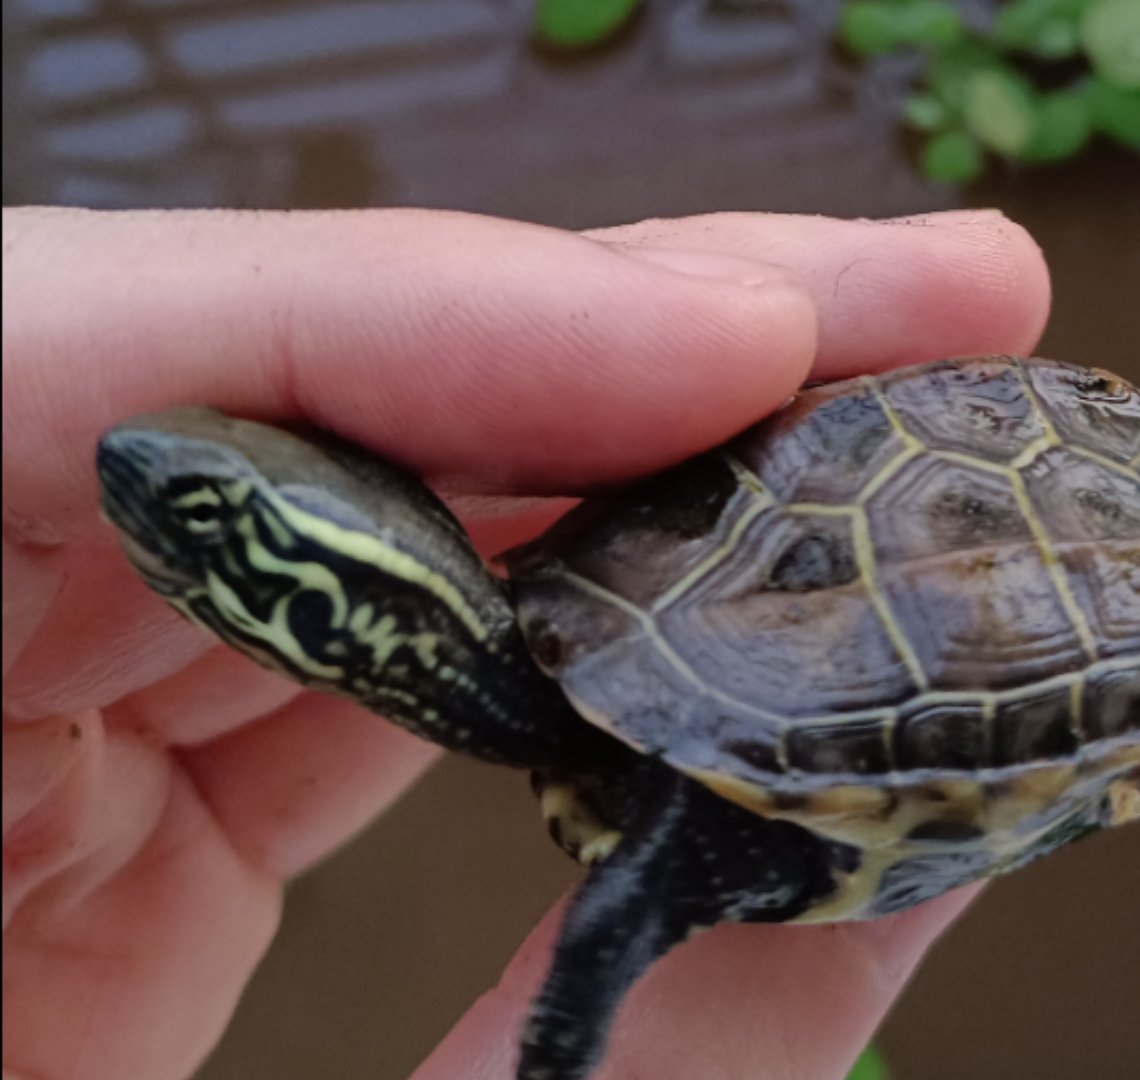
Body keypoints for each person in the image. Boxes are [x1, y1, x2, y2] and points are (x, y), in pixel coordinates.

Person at [1, 206, 1052, 1080]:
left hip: (1109, 635)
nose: (128, 464)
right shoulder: (598, 683)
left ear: (363, 617)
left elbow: (642, 878)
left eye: (217, 528)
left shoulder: (608, 709)